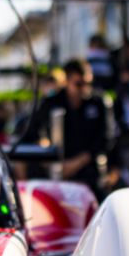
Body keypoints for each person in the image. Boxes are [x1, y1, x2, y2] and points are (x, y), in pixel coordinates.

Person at [22, 59, 112, 197]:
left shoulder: (98, 103)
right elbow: (32, 132)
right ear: (66, 81)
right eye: (79, 84)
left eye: (88, 83)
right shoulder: (52, 103)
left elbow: (107, 138)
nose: (84, 89)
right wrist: (45, 149)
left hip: (89, 173)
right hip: (57, 172)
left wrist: (77, 162)